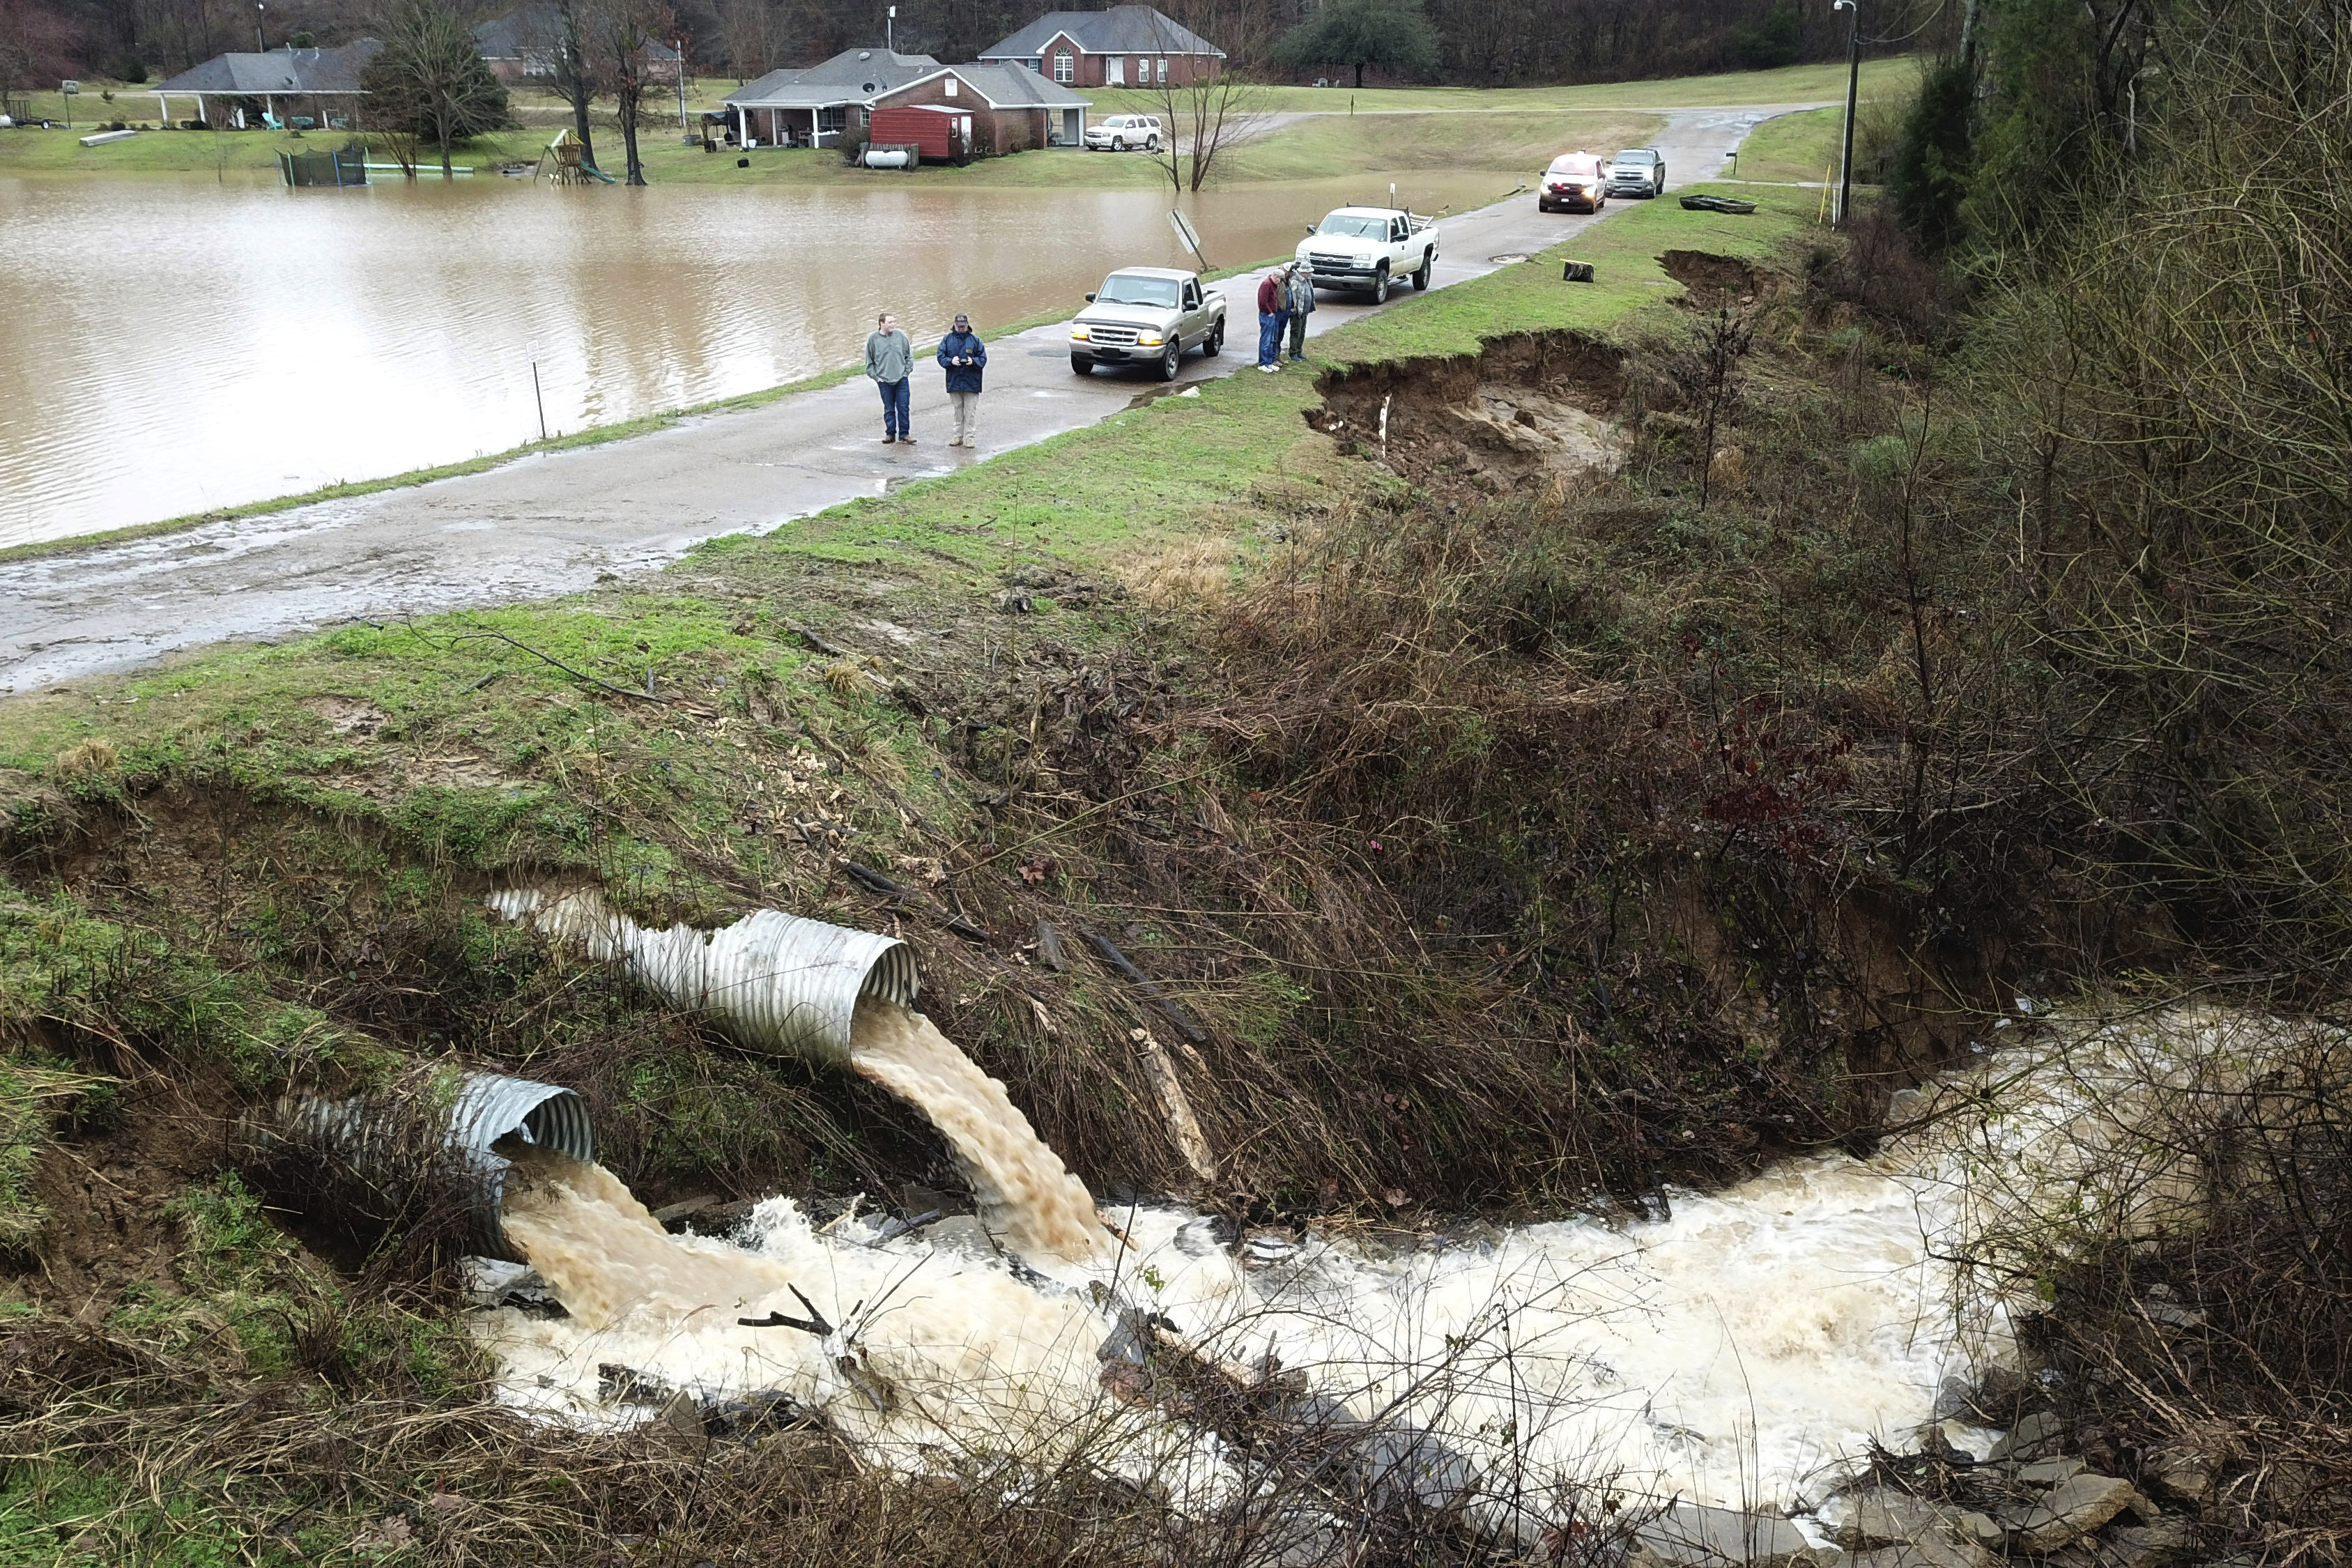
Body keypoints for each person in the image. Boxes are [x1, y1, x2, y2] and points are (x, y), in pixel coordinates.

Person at [937, 312, 987, 448]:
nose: (961, 328)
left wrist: (973, 361)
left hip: (972, 382)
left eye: (963, 326)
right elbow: (940, 356)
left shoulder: (975, 340)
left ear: (967, 325)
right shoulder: (947, 340)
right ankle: (957, 437)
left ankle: (970, 438)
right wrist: (950, 361)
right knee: (958, 410)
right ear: (954, 325)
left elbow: (983, 359)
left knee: (970, 412)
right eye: (959, 326)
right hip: (954, 381)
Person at [865, 312, 914, 443]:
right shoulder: (873, 339)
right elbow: (869, 363)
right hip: (884, 381)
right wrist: (877, 378)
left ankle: (905, 434)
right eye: (891, 322)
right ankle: (890, 434)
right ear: (882, 323)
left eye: (894, 322)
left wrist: (906, 373)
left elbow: (909, 356)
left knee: (904, 407)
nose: (894, 324)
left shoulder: (901, 336)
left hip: (901, 379)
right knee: (889, 408)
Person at [1256, 268, 1289, 371]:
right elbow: (1262, 302)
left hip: (1272, 315)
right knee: (1265, 340)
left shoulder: (1274, 285)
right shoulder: (1266, 284)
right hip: (1267, 316)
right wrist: (1270, 312)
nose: (1280, 282)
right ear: (1276, 277)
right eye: (1280, 279)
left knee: (1271, 340)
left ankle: (1269, 362)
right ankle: (1262, 364)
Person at [1285, 262, 1316, 362]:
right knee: (1296, 332)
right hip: (1297, 313)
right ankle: (1293, 352)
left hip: (1304, 312)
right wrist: (1294, 311)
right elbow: (1292, 298)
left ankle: (1299, 351)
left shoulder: (1307, 280)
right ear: (1303, 272)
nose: (1310, 274)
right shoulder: (1295, 281)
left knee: (1302, 332)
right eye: (1308, 272)